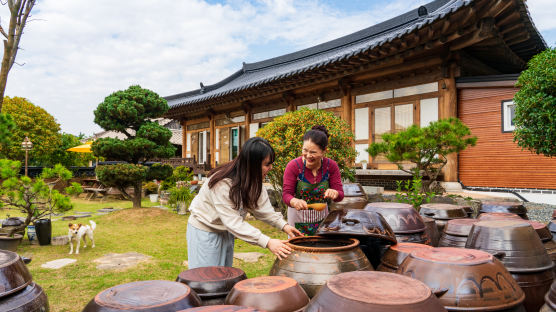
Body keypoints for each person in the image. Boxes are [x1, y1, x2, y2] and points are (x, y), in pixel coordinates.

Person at [187, 137, 302, 269]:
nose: (271, 168)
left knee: (223, 277)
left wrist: (284, 226)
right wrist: (268, 242)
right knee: (205, 280)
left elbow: (263, 210)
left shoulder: (253, 180)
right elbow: (233, 222)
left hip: (225, 232)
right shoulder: (223, 182)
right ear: (252, 164)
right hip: (205, 231)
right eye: (267, 164)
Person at [282, 125, 344, 236]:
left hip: (321, 221)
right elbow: (286, 195)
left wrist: (335, 193)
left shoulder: (331, 166)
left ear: (324, 151)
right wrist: (294, 201)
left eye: (313, 152)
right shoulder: (293, 166)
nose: (308, 156)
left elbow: (340, 195)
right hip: (297, 221)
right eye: (305, 150)